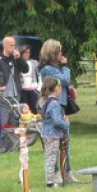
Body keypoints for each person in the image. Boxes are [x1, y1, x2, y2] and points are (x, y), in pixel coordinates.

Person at [37, 39, 76, 177]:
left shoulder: (53, 68)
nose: (62, 54)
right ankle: (56, 173)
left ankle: (66, 171)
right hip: (54, 105)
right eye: (59, 51)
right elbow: (65, 80)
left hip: (60, 104)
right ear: (54, 54)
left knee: (64, 139)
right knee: (55, 139)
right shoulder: (47, 69)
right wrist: (66, 66)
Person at [0, 36, 28, 153]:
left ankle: (10, 147)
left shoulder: (15, 58)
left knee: (13, 122)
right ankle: (0, 148)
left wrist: (20, 58)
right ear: (4, 46)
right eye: (11, 45)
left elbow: (25, 69)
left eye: (14, 45)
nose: (13, 48)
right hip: (3, 95)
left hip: (15, 94)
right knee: (2, 122)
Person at [39, 76, 69, 188]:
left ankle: (56, 178)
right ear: (56, 89)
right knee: (51, 158)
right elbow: (57, 121)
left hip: (48, 133)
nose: (61, 89)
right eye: (60, 87)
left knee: (51, 156)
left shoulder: (47, 101)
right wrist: (66, 123)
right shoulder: (54, 104)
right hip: (52, 134)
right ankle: (50, 182)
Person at [19, 45, 41, 115]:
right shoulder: (18, 63)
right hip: (23, 91)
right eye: (25, 53)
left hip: (33, 90)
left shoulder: (34, 62)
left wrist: (39, 88)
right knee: (24, 110)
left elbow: (39, 74)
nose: (27, 54)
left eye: (28, 52)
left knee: (35, 109)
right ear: (21, 54)